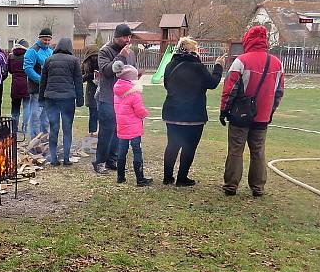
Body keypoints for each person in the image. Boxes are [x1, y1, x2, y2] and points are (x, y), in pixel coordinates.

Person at [220, 25, 285, 197]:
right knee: (258, 152)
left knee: (235, 150)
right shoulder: (277, 63)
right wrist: (270, 112)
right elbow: (279, 92)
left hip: (240, 115)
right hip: (262, 116)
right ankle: (258, 187)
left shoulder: (241, 61)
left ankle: (231, 185)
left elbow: (230, 89)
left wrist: (224, 110)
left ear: (247, 40)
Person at [162, 37, 226, 186]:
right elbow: (212, 83)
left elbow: (167, 85)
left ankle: (167, 177)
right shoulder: (198, 67)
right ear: (192, 51)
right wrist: (218, 67)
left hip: (172, 113)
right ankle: (182, 178)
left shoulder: (170, 65)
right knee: (189, 147)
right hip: (194, 115)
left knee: (172, 145)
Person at [92, 23, 136, 174]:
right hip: (107, 97)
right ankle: (99, 162)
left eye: (129, 37)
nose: (127, 40)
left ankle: (112, 160)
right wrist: (121, 57)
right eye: (124, 37)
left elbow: (130, 70)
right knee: (106, 131)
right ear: (116, 37)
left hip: (124, 97)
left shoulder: (130, 52)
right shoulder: (105, 51)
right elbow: (106, 71)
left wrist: (135, 76)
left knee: (119, 131)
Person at [39, 38, 83, 166]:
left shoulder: (49, 60)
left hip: (51, 99)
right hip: (68, 99)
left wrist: (41, 99)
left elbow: (43, 81)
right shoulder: (74, 61)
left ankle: (53, 159)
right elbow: (78, 82)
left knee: (54, 128)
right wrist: (80, 100)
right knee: (67, 128)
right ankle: (66, 159)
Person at [112, 62, 152, 185]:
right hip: (134, 127)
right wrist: (145, 113)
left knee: (122, 151)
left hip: (121, 125)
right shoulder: (135, 93)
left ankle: (120, 176)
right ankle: (140, 178)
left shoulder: (117, 90)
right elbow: (139, 111)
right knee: (137, 151)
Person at [23, 28, 53, 137]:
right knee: (36, 116)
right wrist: (41, 80)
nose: (47, 42)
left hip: (48, 90)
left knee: (46, 116)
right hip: (37, 89)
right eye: (45, 40)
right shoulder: (32, 51)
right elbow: (27, 68)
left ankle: (45, 140)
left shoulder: (50, 51)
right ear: (39, 38)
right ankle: (35, 140)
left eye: (49, 40)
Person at [8, 39, 30, 136]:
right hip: (26, 84)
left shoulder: (11, 56)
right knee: (26, 107)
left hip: (15, 84)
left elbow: (10, 70)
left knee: (15, 107)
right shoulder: (28, 55)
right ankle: (25, 126)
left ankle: (14, 127)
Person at [81, 52, 99, 136]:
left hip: (102, 90)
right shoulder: (86, 64)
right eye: (93, 56)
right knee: (93, 112)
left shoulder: (102, 61)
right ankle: (92, 131)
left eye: (96, 56)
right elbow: (81, 78)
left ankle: (100, 131)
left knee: (102, 112)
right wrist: (90, 76)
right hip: (91, 90)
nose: (95, 58)